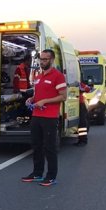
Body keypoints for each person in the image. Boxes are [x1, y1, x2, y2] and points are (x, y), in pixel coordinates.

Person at [21, 49, 67, 186]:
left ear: (52, 60)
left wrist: (45, 101)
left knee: (50, 147)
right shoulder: (38, 76)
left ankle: (51, 176)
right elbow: (38, 95)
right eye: (41, 59)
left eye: (45, 59)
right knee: (36, 146)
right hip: (36, 115)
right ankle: (37, 173)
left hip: (50, 117)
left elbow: (63, 96)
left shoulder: (58, 76)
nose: (42, 61)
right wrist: (32, 99)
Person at [75, 80, 90, 146]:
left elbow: (88, 89)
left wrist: (81, 89)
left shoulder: (79, 83)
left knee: (82, 122)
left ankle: (83, 140)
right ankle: (80, 139)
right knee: (80, 123)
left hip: (80, 104)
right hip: (75, 104)